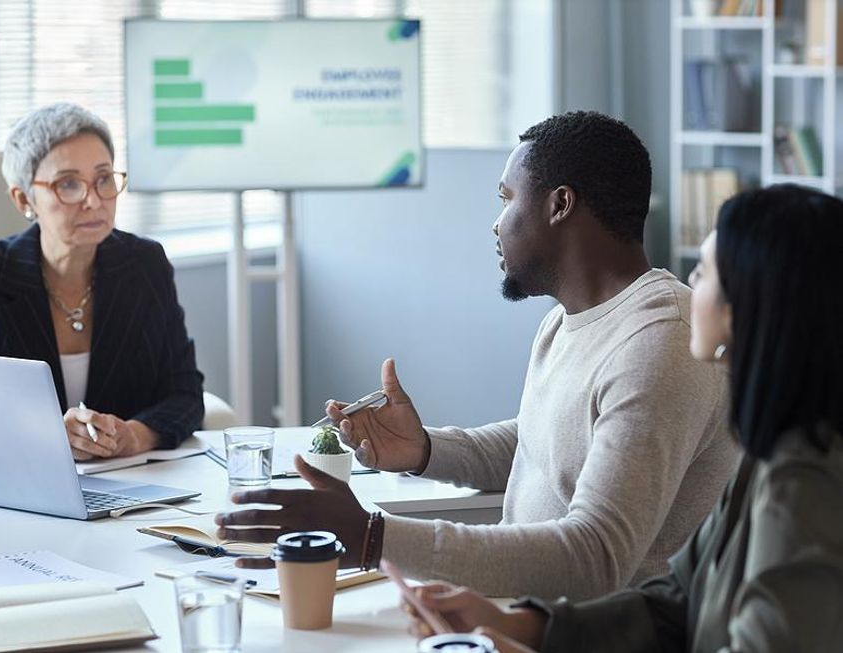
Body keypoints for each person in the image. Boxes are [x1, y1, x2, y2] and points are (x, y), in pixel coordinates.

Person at [215, 111, 739, 599]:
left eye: (507, 198)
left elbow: (595, 557)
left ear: (560, 205)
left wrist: (369, 535)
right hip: (520, 618)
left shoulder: (660, 341)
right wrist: (424, 449)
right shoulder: (567, 318)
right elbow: (544, 444)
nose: (496, 223)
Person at [403, 184, 843, 652]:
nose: (689, 283)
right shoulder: (768, 453)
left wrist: (371, 535)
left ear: (748, 305)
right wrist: (523, 626)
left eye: (705, 270)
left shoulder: (806, 485)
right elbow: (676, 603)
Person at [0, 102, 205, 460]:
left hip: (134, 485)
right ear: (24, 199)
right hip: (22, 483)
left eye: (103, 179)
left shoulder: (145, 264)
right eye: (69, 184)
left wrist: (135, 435)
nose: (93, 200)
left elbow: (185, 394)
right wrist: (44, 434)